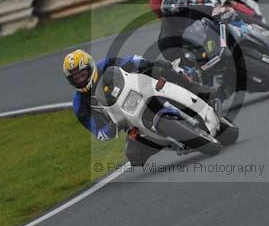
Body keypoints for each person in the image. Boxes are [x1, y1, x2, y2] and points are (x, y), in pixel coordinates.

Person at [62, 49, 218, 166]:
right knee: (134, 156)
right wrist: (109, 128)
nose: (81, 79)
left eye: (83, 74)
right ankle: (169, 139)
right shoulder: (79, 104)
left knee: (161, 69)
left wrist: (143, 63)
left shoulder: (106, 65)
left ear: (91, 67)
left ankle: (200, 89)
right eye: (76, 78)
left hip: (140, 91)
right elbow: (98, 131)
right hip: (128, 121)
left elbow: (131, 60)